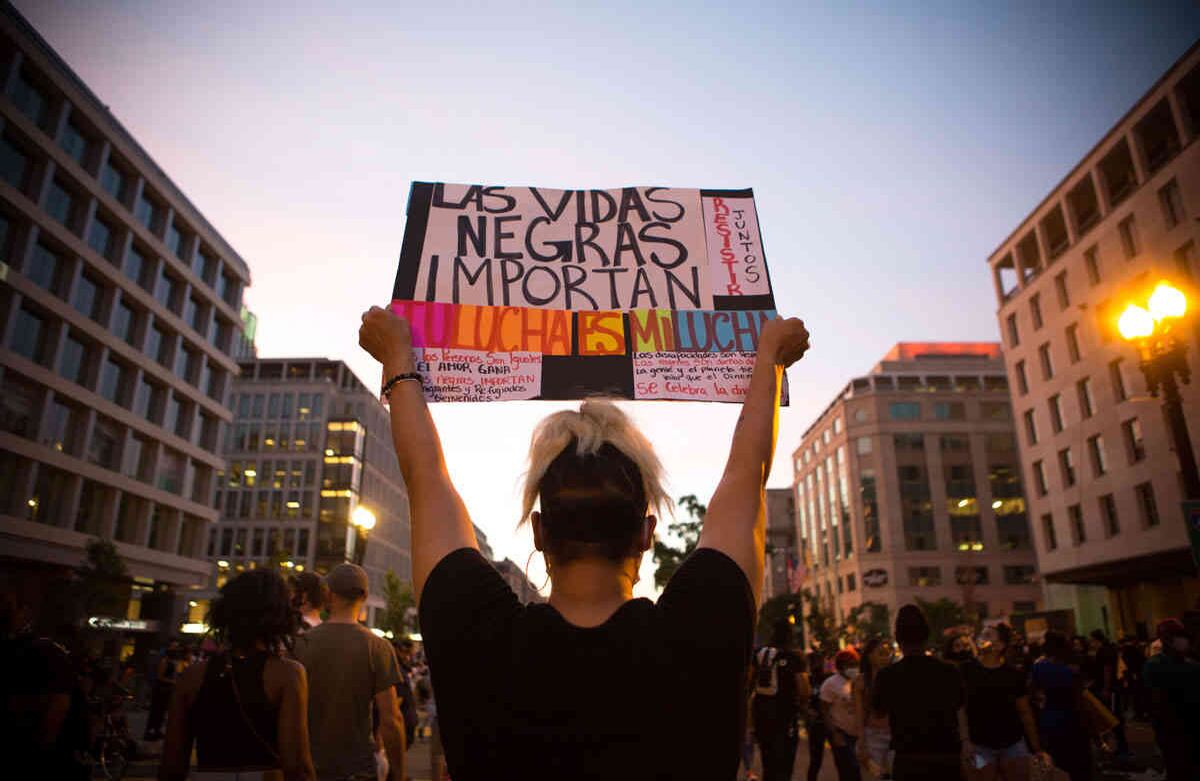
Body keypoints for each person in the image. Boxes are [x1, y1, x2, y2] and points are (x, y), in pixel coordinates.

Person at [357, 306, 810, 780]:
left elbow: (427, 479)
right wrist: (769, 359)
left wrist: (398, 359)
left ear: (538, 531)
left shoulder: (479, 633)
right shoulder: (702, 628)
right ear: (647, 534)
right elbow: (748, 474)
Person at [159, 569, 316, 781]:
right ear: (280, 616)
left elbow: (172, 764)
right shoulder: (287, 674)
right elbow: (297, 766)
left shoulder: (191, 676)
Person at [294, 563, 405, 781]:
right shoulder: (378, 647)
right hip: (358, 769)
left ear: (329, 595)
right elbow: (392, 720)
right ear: (364, 596)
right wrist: (399, 772)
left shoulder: (300, 644)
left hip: (309, 767)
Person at [871, 604, 967, 781]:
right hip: (946, 756)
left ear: (898, 639)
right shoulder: (949, 671)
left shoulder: (887, 676)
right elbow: (960, 709)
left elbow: (878, 712)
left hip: (908, 758)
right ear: (926, 636)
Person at [961, 622, 1051, 780]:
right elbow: (960, 708)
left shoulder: (1013, 674)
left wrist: (1036, 747)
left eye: (987, 635)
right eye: (981, 634)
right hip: (979, 745)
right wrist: (965, 741)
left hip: (1013, 744)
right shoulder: (966, 670)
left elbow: (1024, 712)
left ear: (1000, 645)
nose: (981, 638)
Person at [751, 621, 811, 781]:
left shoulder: (759, 654)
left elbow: (749, 683)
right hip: (785, 716)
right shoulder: (794, 656)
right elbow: (803, 689)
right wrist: (804, 708)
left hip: (762, 715)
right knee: (784, 765)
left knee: (768, 762)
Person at [1142, 619, 1200, 780]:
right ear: (1166, 639)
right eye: (1177, 636)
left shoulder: (1192, 664)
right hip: (1173, 728)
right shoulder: (1155, 665)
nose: (1183, 641)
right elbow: (1155, 699)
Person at [1030, 630, 1091, 781]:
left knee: (1058, 762)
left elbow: (1032, 690)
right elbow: (1080, 693)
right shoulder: (1072, 666)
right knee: (1079, 762)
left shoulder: (1039, 667)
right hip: (1073, 717)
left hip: (1051, 717)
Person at [1084, 629, 1128, 757]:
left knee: (1114, 718)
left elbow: (1107, 670)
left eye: (1092, 640)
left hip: (1110, 688)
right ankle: (1121, 747)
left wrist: (1106, 688)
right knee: (1113, 717)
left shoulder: (1105, 651)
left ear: (1097, 640)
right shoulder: (1107, 650)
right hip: (1109, 687)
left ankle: (1123, 748)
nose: (1091, 643)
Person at [853, 637, 893, 779]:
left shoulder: (894, 678)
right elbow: (859, 714)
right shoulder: (861, 681)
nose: (885, 658)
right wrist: (861, 740)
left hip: (894, 735)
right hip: (872, 736)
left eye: (887, 654)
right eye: (881, 653)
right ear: (870, 656)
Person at [820, 648, 862, 781]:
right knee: (848, 770)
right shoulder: (830, 684)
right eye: (849, 665)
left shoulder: (859, 681)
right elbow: (825, 711)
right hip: (841, 733)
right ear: (841, 666)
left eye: (855, 664)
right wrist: (834, 734)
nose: (853, 668)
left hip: (858, 733)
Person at [145, 640, 186, 740]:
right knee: (156, 711)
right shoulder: (164, 661)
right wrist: (173, 681)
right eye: (174, 647)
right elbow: (160, 676)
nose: (176, 650)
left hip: (166, 690)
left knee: (161, 712)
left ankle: (156, 730)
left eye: (177, 647)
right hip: (160, 690)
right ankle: (151, 732)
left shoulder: (172, 662)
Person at [805, 650, 832, 781]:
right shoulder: (808, 680)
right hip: (816, 724)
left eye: (819, 661)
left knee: (842, 758)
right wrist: (806, 711)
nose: (817, 665)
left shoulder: (828, 679)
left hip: (831, 722)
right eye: (813, 662)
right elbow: (801, 699)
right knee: (816, 760)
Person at [391, 639, 419, 750]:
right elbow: (396, 703)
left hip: (405, 722)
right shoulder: (397, 671)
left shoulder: (400, 670)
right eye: (405, 652)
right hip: (402, 723)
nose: (407, 656)